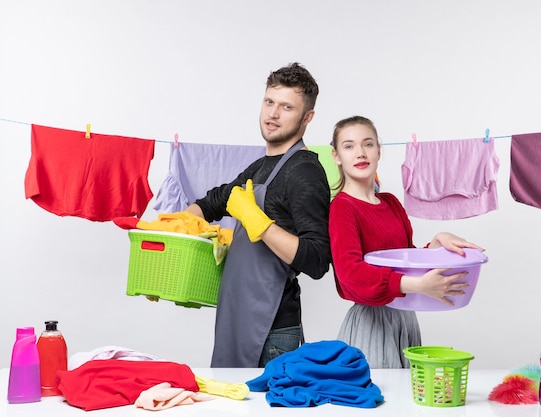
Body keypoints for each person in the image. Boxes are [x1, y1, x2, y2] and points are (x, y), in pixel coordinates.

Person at [186, 63, 331, 368]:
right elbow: (216, 200)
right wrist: (183, 226)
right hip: (235, 320)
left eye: (286, 107)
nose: (273, 114)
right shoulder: (260, 167)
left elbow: (318, 259)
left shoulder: (304, 172)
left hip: (272, 334)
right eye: (269, 102)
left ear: (307, 117)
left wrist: (260, 225)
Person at [328, 115, 484, 369]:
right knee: (381, 403)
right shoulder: (342, 207)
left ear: (379, 150)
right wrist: (418, 285)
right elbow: (350, 274)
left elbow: (405, 258)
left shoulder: (390, 203)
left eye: (367, 144)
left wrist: (434, 245)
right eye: (349, 146)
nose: (360, 153)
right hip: (372, 324)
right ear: (336, 156)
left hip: (405, 319)